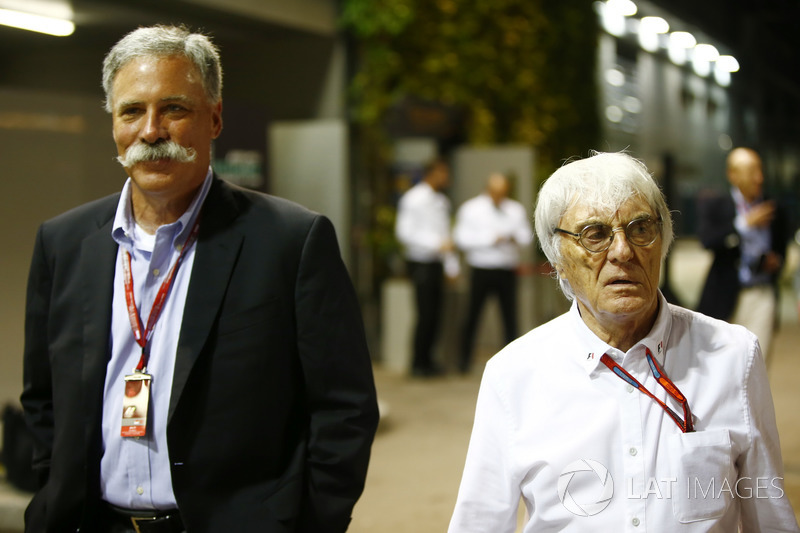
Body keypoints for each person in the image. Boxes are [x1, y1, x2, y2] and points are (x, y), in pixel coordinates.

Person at [20, 25, 379, 532]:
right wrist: (51, 496)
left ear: (214, 118)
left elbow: (344, 409)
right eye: (131, 111)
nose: (150, 131)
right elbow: (43, 399)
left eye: (173, 108)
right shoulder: (63, 242)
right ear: (113, 124)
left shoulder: (290, 241)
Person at [449, 152, 798, 532]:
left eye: (639, 229)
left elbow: (770, 519)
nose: (622, 251)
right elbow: (478, 523)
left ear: (662, 241)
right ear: (558, 257)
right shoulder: (514, 375)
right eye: (594, 234)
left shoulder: (733, 356)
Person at [696, 147, 790, 361]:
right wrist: (743, 225)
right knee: (723, 362)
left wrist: (777, 262)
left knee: (756, 362)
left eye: (759, 170)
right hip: (725, 295)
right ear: (733, 175)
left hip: (761, 294)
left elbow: (782, 250)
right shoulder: (718, 205)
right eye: (751, 171)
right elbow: (707, 241)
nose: (758, 178)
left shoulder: (775, 209)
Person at [452, 173, 532, 374]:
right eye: (496, 192)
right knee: (472, 315)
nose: (499, 197)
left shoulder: (514, 209)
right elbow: (461, 238)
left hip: (506, 269)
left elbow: (526, 236)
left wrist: (514, 238)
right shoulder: (471, 209)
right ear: (488, 189)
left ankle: (513, 363)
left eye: (503, 193)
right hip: (481, 268)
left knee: (510, 318)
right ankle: (463, 361)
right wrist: (489, 239)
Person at [395, 158, 458, 376]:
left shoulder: (441, 201)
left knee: (436, 314)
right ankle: (417, 362)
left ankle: (428, 360)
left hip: (436, 263)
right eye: (443, 172)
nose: (446, 177)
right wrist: (434, 244)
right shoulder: (414, 199)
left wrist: (451, 266)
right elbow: (404, 233)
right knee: (425, 313)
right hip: (420, 262)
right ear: (432, 173)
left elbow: (445, 235)